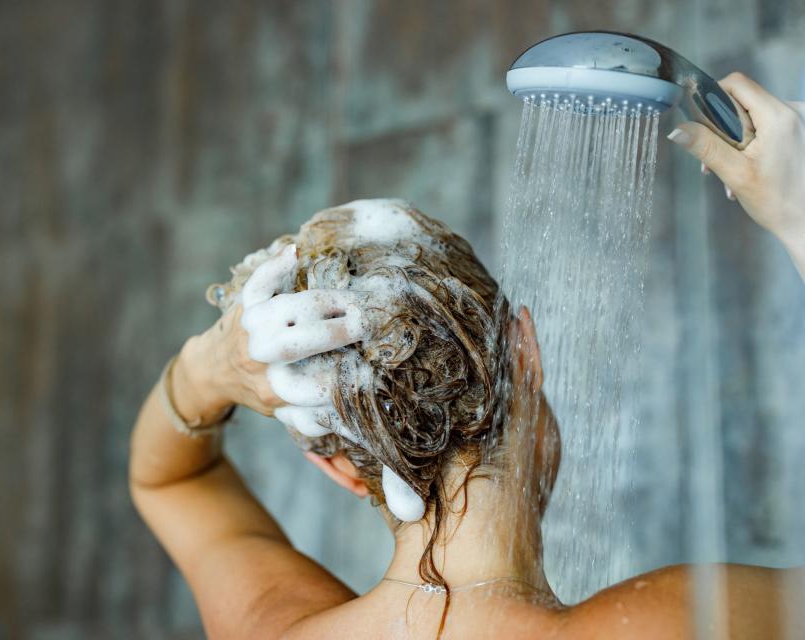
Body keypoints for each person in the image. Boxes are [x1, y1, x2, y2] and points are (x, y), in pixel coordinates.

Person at [129, 73, 804, 639]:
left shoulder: (272, 629)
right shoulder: (675, 621)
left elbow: (168, 480)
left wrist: (209, 368)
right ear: (526, 352)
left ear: (339, 469)